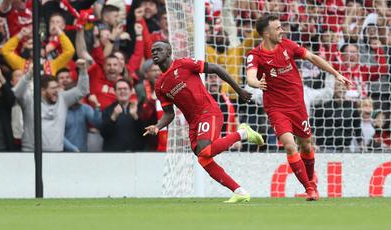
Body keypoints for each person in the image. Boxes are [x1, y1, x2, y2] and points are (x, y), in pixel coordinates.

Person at [246, 14, 353, 201]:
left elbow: (312, 57)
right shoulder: (255, 55)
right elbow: (251, 76)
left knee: (306, 144)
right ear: (265, 33)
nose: (282, 30)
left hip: (297, 105)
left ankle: (311, 180)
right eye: (277, 28)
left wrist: (336, 74)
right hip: (276, 108)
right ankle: (309, 188)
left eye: (281, 27)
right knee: (289, 146)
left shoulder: (288, 45)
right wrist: (256, 84)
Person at [144, 40, 263, 204]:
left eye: (158, 49)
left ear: (169, 51)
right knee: (203, 158)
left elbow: (215, 68)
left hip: (209, 111)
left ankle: (243, 133)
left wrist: (238, 90)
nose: (155, 52)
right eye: (152, 50)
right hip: (193, 122)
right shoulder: (160, 85)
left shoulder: (184, 64)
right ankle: (240, 191)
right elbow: (169, 114)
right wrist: (157, 126)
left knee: (205, 151)